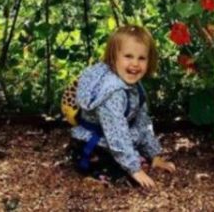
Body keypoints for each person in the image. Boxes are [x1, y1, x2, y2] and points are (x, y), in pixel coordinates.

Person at [70, 24, 176, 189]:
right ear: (114, 58)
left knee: (137, 160)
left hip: (112, 139)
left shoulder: (135, 86)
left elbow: (142, 122)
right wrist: (134, 168)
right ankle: (93, 180)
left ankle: (129, 160)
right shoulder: (112, 92)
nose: (135, 64)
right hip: (93, 143)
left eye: (141, 58)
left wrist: (154, 154)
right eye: (128, 56)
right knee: (119, 174)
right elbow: (116, 133)